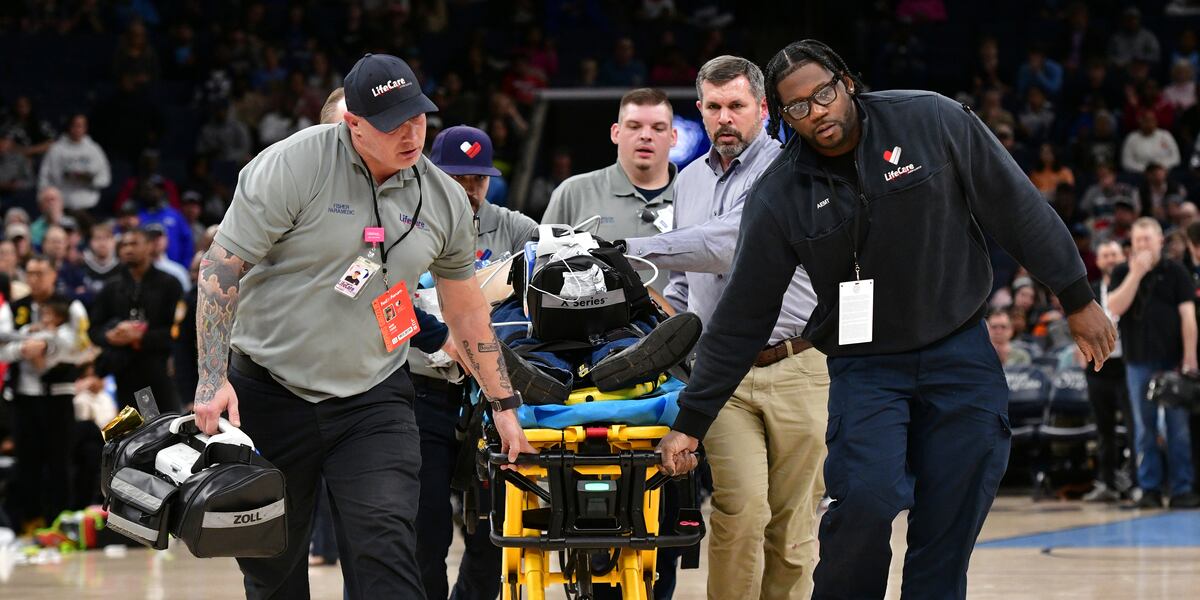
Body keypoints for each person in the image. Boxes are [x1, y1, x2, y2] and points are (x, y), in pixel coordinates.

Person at [654, 39, 1116, 599]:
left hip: (958, 348)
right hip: (865, 366)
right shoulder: (779, 194)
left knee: (954, 507)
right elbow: (744, 313)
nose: (817, 111)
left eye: (823, 94)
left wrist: (1075, 296)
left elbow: (1014, 205)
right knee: (864, 502)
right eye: (798, 106)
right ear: (784, 117)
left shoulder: (931, 119)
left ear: (846, 82)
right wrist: (693, 419)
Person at [193, 53, 533, 599]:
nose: (411, 134)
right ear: (353, 123)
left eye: (417, 117)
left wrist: (503, 404)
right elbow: (221, 268)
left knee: (388, 548)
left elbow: (467, 310)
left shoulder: (443, 198)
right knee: (273, 571)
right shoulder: (291, 166)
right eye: (392, 123)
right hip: (270, 390)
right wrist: (212, 379)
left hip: (373, 398)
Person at [623, 55, 827, 599]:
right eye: (714, 107)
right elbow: (686, 282)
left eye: (737, 105)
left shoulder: (790, 170)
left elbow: (728, 244)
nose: (725, 118)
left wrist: (625, 250)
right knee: (742, 508)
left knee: (793, 523)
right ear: (700, 110)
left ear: (763, 109)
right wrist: (661, 337)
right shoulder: (689, 180)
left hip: (798, 365)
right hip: (723, 374)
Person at [413, 124, 538, 600]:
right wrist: (440, 337)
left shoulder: (516, 229)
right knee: (425, 529)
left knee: (496, 528)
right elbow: (382, 302)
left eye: (478, 179)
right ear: (432, 173)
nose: (468, 189)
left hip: (492, 397)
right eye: (457, 177)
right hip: (421, 391)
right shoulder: (404, 222)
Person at [541, 88, 677, 294]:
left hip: (679, 316)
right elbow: (541, 276)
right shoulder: (573, 193)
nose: (646, 136)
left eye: (658, 128)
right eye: (634, 126)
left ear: (673, 137)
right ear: (616, 132)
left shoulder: (697, 196)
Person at [1105, 217, 1200, 509]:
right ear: (1132, 245)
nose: (1143, 245)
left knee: (1177, 427)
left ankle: (1182, 488)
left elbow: (1188, 316)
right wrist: (1136, 274)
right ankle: (1149, 489)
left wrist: (1190, 357)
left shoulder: (1176, 271)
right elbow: (1114, 307)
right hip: (1137, 361)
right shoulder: (1122, 271)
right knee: (1144, 428)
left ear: (1160, 241)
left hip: (1173, 361)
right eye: (1138, 240)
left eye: (1148, 239)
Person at [0, 256, 90, 533]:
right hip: (24, 397)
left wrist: (47, 348)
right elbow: (2, 346)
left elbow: (81, 348)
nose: (34, 279)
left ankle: (61, 524)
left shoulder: (71, 306)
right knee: (27, 462)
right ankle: (30, 523)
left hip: (59, 395)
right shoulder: (14, 308)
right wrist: (22, 350)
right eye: (30, 273)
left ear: (53, 274)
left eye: (40, 273)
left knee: (59, 462)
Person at [88, 227, 185, 413]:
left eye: (134, 244)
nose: (128, 249)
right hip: (124, 374)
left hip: (160, 371)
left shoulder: (170, 284)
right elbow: (93, 330)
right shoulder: (111, 287)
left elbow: (178, 331)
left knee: (164, 426)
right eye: (124, 245)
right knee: (132, 429)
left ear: (149, 246)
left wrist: (140, 336)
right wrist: (110, 335)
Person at [1083, 240, 1132, 502]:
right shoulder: (1089, 290)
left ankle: (1135, 482)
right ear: (1098, 261)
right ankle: (1107, 482)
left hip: (1126, 365)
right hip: (1097, 366)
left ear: (1123, 257)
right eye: (1106, 255)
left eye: (1114, 254)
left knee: (1134, 427)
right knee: (1104, 429)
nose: (1111, 259)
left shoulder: (1133, 285)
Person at [36, 114, 111, 212]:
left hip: (90, 205)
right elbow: (44, 177)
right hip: (63, 205)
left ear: (86, 128)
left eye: (81, 126)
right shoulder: (56, 149)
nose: (77, 129)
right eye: (75, 125)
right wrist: (44, 198)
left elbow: (105, 178)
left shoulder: (94, 149)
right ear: (69, 127)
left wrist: (90, 180)